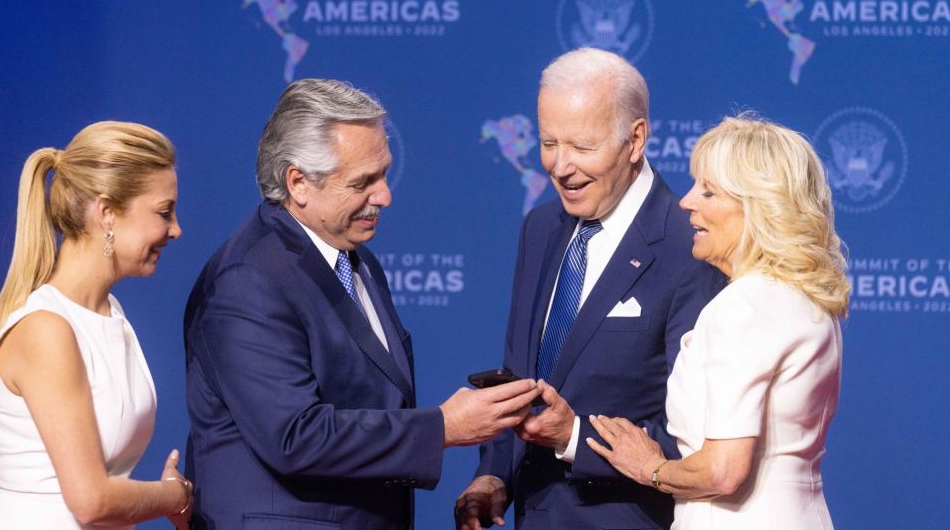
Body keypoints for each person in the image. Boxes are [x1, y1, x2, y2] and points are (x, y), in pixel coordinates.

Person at [184, 78, 541, 530]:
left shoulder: (357, 260)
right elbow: (295, 436)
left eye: (384, 173)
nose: (385, 196)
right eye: (362, 182)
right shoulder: (247, 280)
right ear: (298, 183)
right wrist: (442, 428)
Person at [455, 48, 725, 530]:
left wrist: (574, 436)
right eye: (548, 142)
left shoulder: (692, 246)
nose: (560, 166)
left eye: (581, 147)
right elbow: (520, 379)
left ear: (635, 139)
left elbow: (704, 437)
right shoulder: (540, 227)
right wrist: (494, 476)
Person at [585, 115, 849, 529]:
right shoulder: (807, 298)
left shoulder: (744, 306)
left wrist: (650, 468)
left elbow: (722, 470)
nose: (687, 201)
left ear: (759, 207)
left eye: (709, 191)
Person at [0, 121, 192, 529]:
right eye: (164, 212)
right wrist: (176, 495)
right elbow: (91, 500)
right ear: (107, 213)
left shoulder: (109, 313)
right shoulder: (45, 328)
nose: (176, 229)